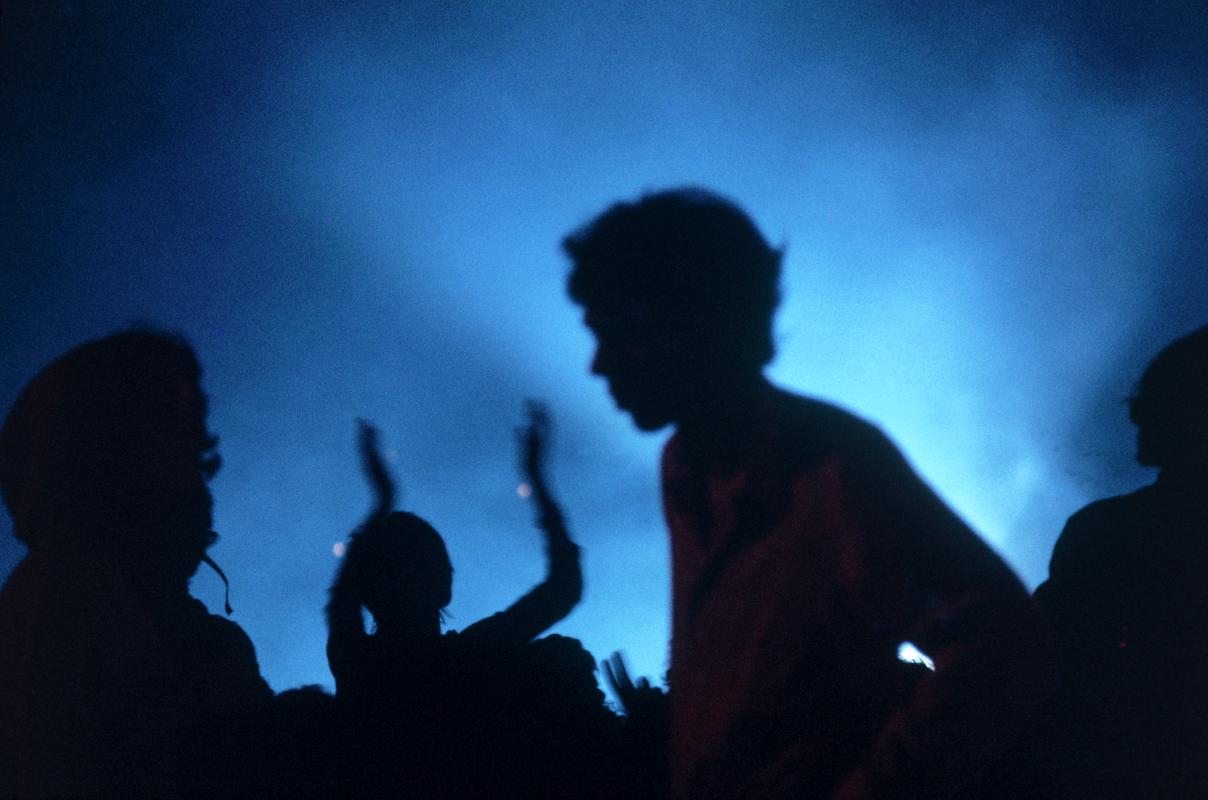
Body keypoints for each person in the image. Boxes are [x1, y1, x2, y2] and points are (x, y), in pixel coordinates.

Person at [563, 188, 1053, 800]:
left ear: (698, 318)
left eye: (620, 333)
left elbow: (1004, 644)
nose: (598, 364)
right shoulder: (684, 466)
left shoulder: (834, 467)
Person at [0, 329, 273, 798]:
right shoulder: (67, 611)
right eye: (170, 411)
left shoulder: (119, 607)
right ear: (104, 440)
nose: (196, 444)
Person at [325, 402, 597, 796]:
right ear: (445, 583)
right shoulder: (474, 655)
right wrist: (538, 482)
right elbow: (564, 589)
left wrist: (381, 503)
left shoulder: (357, 663)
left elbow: (340, 597)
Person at [1034, 324, 1208, 799]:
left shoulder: (1110, 531)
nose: (1135, 416)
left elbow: (1039, 655)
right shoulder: (1108, 528)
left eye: (1148, 400)